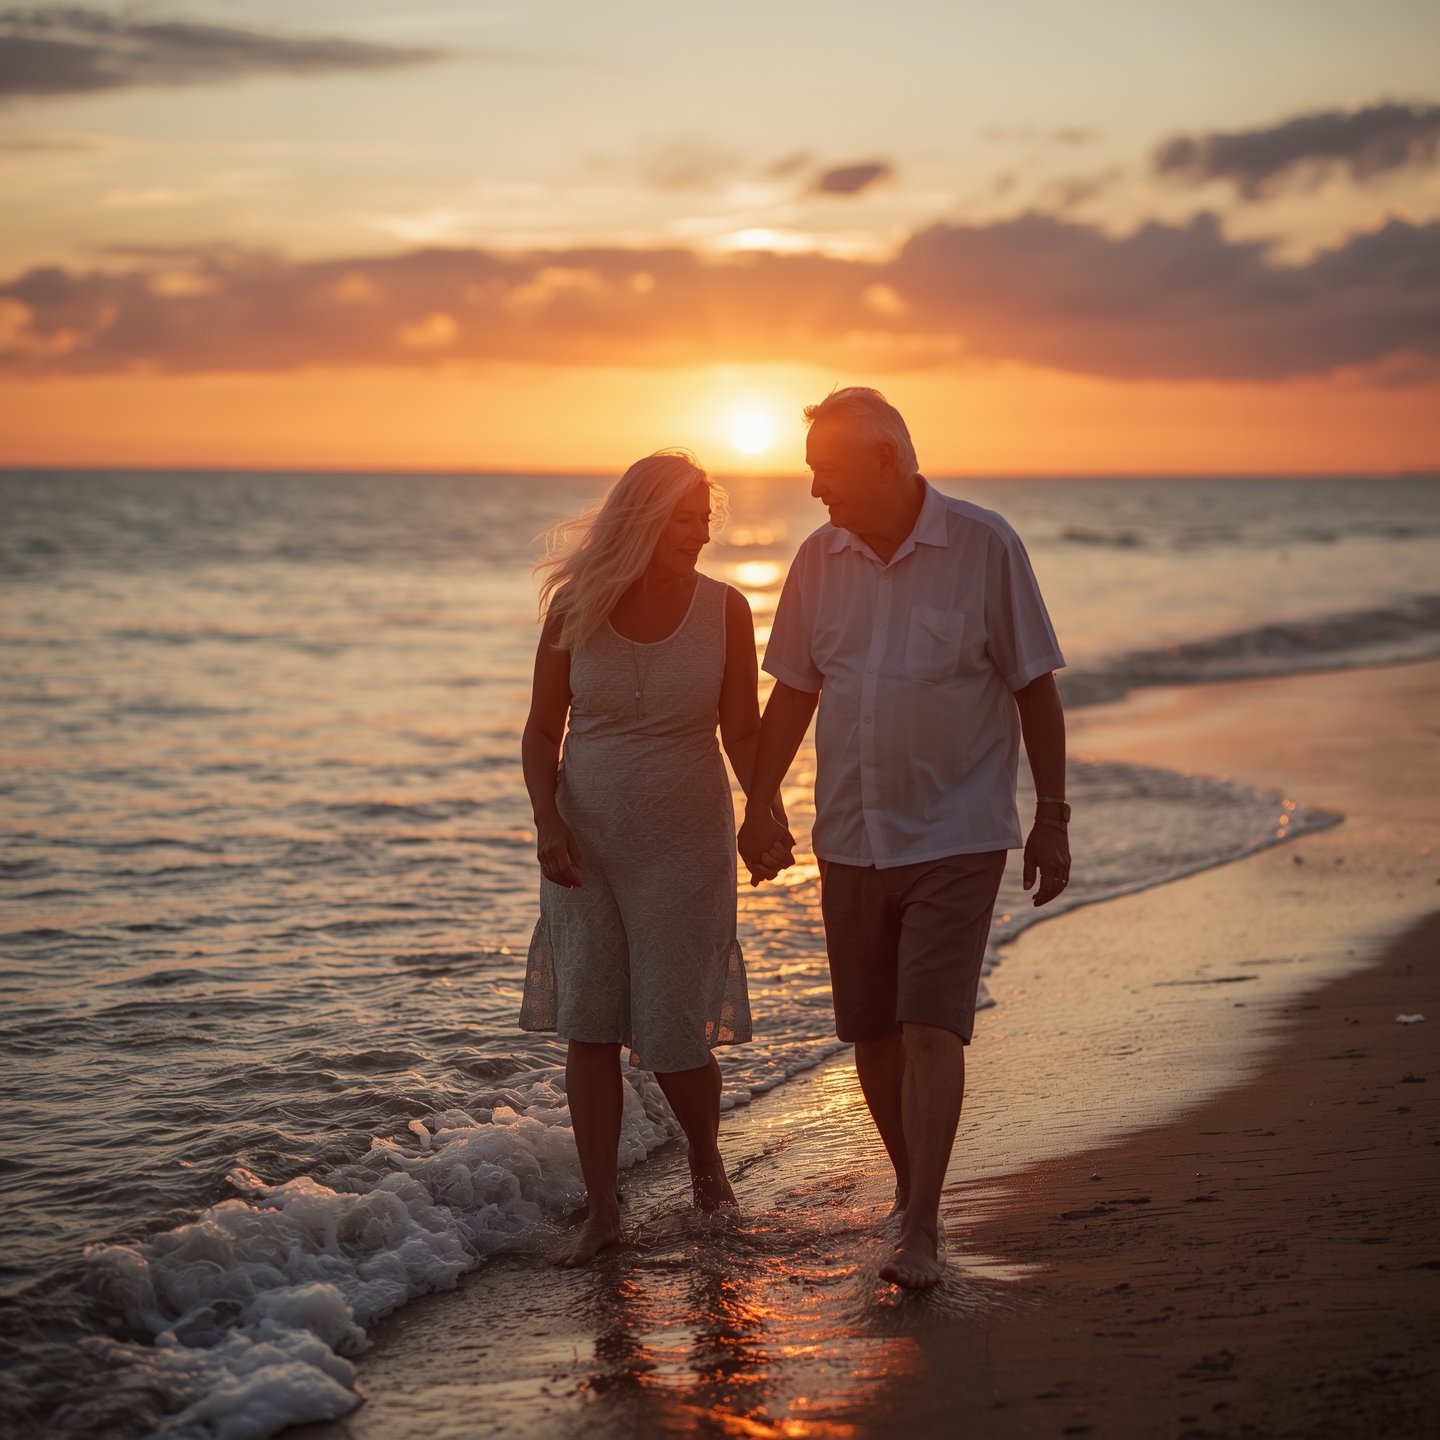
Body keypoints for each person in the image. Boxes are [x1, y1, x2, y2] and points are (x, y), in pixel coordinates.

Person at [738, 388, 1071, 1290]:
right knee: (874, 1038)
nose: (814, 489)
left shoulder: (985, 545)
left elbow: (1033, 685)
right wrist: (760, 800)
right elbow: (796, 692)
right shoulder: (817, 560)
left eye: (828, 470)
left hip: (959, 830)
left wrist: (1052, 814)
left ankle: (921, 1228)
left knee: (931, 1026)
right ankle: (909, 1187)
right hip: (850, 833)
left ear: (885, 461)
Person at [519, 449, 776, 1267]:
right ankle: (604, 1212)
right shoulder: (575, 605)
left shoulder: (726, 609)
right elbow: (539, 731)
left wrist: (765, 810)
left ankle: (708, 1166)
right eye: (684, 518)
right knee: (589, 1026)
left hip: (685, 843)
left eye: (706, 519)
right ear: (643, 518)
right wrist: (546, 823)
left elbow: (742, 731)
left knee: (673, 1030)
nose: (700, 533)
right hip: (585, 843)